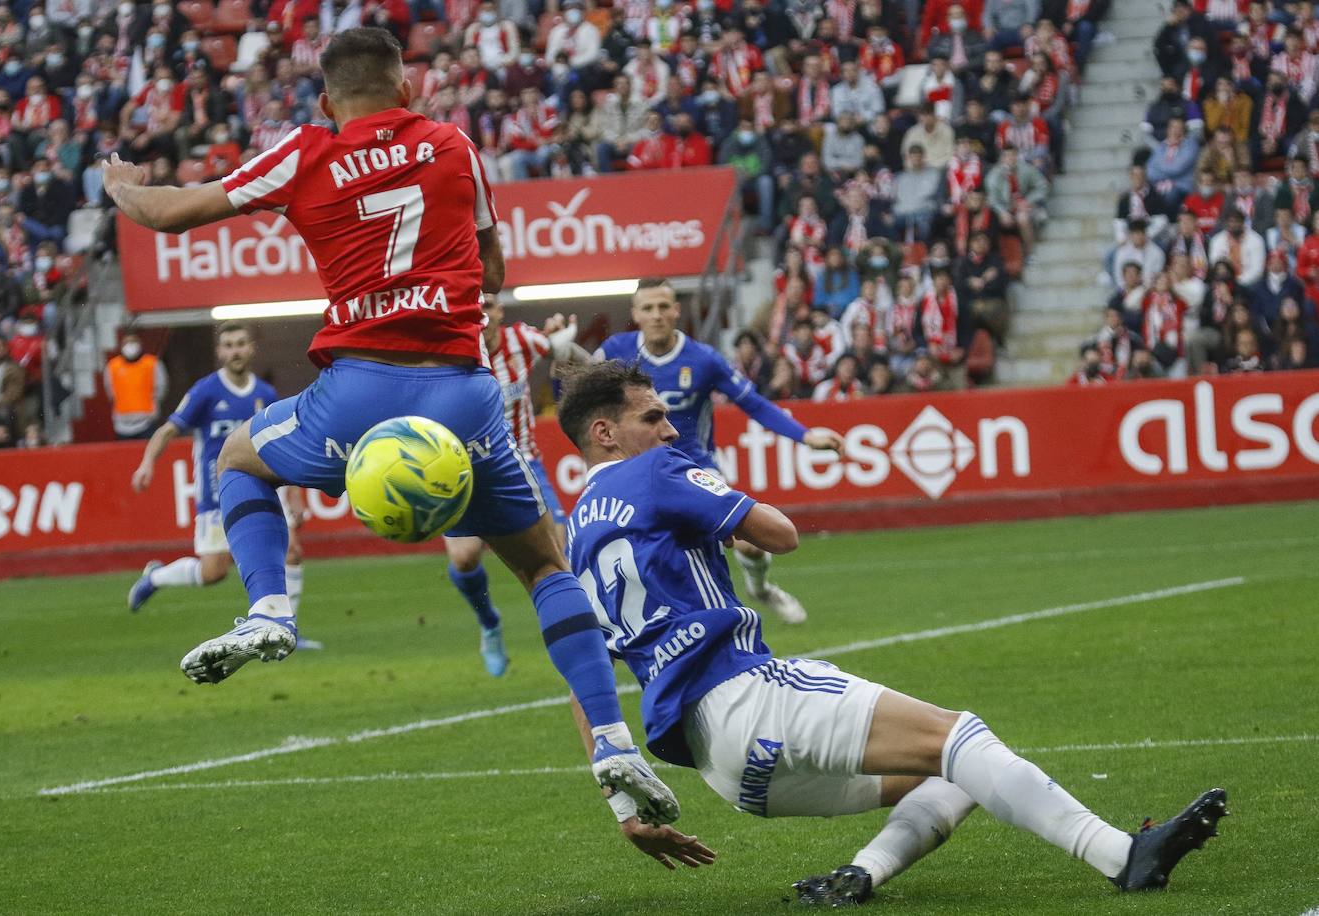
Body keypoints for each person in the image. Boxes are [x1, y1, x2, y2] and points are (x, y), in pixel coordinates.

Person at [100, 27, 678, 826]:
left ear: (329, 100)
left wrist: (122, 185)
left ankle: (270, 609)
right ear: (406, 90)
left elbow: (169, 214)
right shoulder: (453, 145)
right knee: (546, 570)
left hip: (356, 393)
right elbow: (497, 274)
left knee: (240, 455)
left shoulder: (307, 150)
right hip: (462, 397)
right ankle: (612, 739)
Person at [556, 360, 1226, 898]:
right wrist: (713, 504)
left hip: (722, 768)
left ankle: (859, 877)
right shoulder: (655, 470)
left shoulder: (575, 534)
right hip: (747, 695)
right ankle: (1122, 855)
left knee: (960, 771)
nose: (671, 431)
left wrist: (627, 812)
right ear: (606, 433)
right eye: (654, 418)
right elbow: (779, 534)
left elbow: (581, 683)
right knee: (959, 735)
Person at [593, 278, 844, 625]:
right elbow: (577, 399)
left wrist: (805, 436)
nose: (656, 315)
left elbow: (754, 403)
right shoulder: (613, 352)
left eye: (663, 306)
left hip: (693, 467)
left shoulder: (704, 359)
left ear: (676, 310)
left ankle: (760, 589)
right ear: (635, 313)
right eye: (648, 308)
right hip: (634, 475)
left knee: (750, 543)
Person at [125, 325, 317, 656]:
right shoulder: (206, 391)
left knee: (292, 552)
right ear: (220, 352)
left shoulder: (266, 395)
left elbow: (286, 445)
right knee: (214, 572)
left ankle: (288, 628)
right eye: (228, 345)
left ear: (251, 349)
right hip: (218, 494)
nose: (235, 351)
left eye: (241, 344)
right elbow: (169, 430)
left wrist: (295, 495)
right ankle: (156, 577)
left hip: (265, 488)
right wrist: (146, 464)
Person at [444, 297, 584, 678]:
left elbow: (559, 346)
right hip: (464, 470)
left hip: (525, 464)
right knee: (464, 558)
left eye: (489, 303)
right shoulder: (448, 351)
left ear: (501, 310)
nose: (483, 313)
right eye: (475, 305)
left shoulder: (522, 341)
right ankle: (489, 623)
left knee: (560, 560)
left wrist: (561, 335)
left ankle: (583, 646)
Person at [103, 330, 168, 440]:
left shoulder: (152, 363)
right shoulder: (112, 366)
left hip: (147, 421)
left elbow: (161, 387)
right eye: (127, 343)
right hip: (122, 424)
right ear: (121, 345)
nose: (130, 346)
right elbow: (110, 390)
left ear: (140, 344)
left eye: (133, 342)